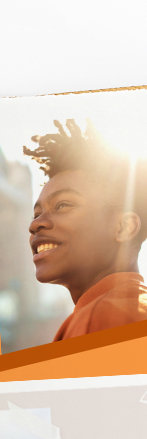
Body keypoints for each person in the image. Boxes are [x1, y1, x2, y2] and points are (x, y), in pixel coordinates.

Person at [25, 119, 147, 341]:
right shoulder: (118, 309)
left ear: (124, 227)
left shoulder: (106, 317)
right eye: (36, 214)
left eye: (62, 205)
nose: (35, 224)